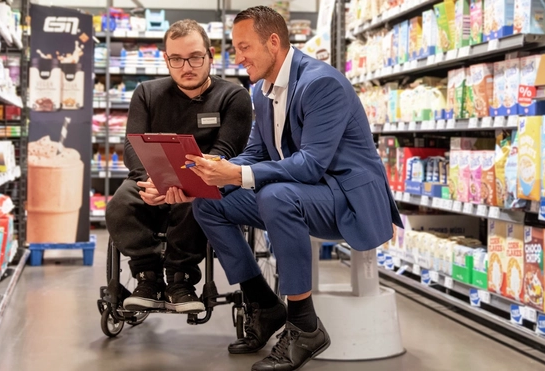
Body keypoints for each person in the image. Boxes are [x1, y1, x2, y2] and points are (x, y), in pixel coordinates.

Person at [162, 6, 401, 370]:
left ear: (273, 42)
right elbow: (256, 153)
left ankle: (304, 325)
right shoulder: (261, 90)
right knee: (211, 203)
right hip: (305, 195)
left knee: (276, 195)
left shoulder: (322, 83)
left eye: (244, 47)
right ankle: (264, 302)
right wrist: (209, 173)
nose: (237, 57)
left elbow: (311, 164)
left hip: (347, 199)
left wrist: (238, 176)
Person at [105, 19, 252, 314]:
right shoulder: (147, 93)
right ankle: (147, 277)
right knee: (121, 203)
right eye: (176, 59)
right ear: (166, 59)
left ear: (210, 55)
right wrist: (151, 181)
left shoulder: (234, 96)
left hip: (206, 181)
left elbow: (225, 151)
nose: (187, 66)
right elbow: (132, 145)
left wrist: (188, 183)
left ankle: (180, 279)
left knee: (198, 202)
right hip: (151, 179)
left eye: (196, 57)